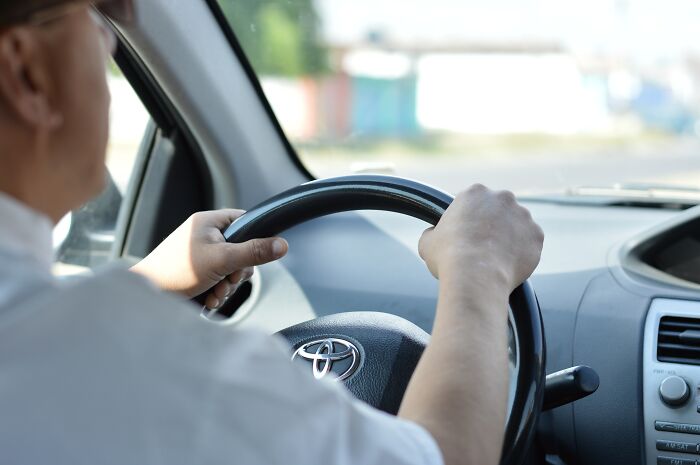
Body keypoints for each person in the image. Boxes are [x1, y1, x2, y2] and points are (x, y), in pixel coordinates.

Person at [0, 1, 545, 464]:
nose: (109, 50)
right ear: (25, 72)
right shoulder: (148, 360)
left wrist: (145, 289)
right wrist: (479, 270)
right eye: (97, 21)